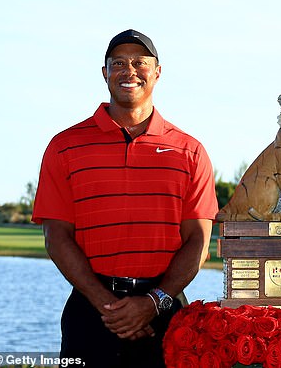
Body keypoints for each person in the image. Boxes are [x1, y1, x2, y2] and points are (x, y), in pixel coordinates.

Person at [32, 29, 218, 368]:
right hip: (91, 312)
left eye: (139, 62)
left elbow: (199, 240)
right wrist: (106, 304)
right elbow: (56, 236)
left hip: (165, 313)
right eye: (118, 63)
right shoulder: (64, 146)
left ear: (157, 72)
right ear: (105, 74)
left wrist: (153, 301)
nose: (129, 71)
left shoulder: (190, 151)